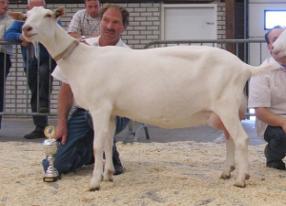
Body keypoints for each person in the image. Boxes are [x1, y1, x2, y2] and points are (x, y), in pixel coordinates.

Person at [42, 4, 130, 176]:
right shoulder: (79, 47)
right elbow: (66, 87)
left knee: (96, 116)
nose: (109, 26)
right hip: (83, 111)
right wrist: (62, 123)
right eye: (105, 20)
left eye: (115, 22)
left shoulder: (128, 55)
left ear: (123, 27)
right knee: (54, 165)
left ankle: (110, 156)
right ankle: (89, 153)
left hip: (118, 113)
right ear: (99, 21)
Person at [4, 0, 56, 139]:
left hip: (47, 60)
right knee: (34, 91)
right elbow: (8, 35)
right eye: (33, 6)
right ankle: (40, 127)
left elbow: (59, 30)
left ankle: (43, 106)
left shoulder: (49, 17)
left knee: (44, 75)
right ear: (28, 7)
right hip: (31, 62)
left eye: (39, 6)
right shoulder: (22, 21)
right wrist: (21, 36)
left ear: (44, 7)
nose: (36, 9)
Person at [248, 25, 286, 170]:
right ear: (270, 47)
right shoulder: (261, 73)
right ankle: (273, 155)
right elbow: (260, 111)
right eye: (275, 39)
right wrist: (283, 122)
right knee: (282, 136)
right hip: (272, 122)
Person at [0, 0, 12, 129]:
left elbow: (6, 36)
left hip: (2, 56)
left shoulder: (9, 20)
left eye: (7, 2)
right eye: (2, 2)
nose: (6, 5)